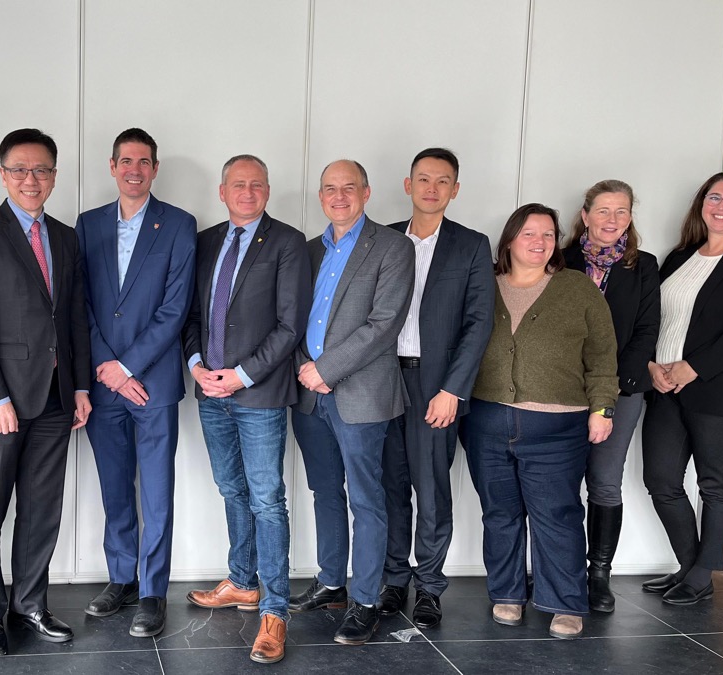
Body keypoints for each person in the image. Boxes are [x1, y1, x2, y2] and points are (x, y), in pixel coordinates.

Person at [0, 128, 92, 657]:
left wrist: (81, 385)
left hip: (56, 397)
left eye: (41, 170)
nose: (31, 179)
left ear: (54, 176)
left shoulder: (65, 237)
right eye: (20, 170)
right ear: (3, 174)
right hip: (1, 400)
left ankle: (30, 603)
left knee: (41, 509)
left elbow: (73, 315)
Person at [462, 203, 617, 639]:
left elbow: (603, 354)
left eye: (548, 234)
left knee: (557, 515)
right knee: (500, 513)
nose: (540, 242)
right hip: (486, 421)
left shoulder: (576, 288)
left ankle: (564, 602)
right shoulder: (484, 285)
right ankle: (507, 593)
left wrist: (602, 408)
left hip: (557, 428)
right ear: (510, 239)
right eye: (529, 233)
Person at [182, 154, 309, 665]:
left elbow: (290, 325)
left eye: (257, 184)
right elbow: (193, 315)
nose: (248, 192)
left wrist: (242, 375)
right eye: (239, 184)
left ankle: (275, 612)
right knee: (231, 488)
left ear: (268, 190)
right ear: (223, 191)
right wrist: (196, 365)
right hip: (211, 393)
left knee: (266, 499)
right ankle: (242, 581)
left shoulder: (287, 242)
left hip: (258, 394)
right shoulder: (206, 241)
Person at [289, 160, 416, 645]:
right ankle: (331, 583)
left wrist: (326, 369)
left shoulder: (393, 246)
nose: (338, 196)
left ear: (366, 192)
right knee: (325, 491)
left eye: (348, 187)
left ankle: (365, 600)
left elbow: (384, 323)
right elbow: (290, 318)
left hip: (362, 394)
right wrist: (306, 367)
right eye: (329, 188)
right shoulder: (308, 250)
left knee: (367, 499)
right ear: (320, 195)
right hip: (308, 393)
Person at [76, 128, 196, 638]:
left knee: (157, 492)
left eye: (143, 161)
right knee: (114, 486)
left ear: (155, 168)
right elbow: (79, 302)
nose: (134, 170)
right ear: (112, 166)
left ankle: (151, 591)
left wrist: (127, 368)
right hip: (103, 382)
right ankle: (121, 577)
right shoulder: (87, 224)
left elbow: (175, 309)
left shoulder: (180, 224)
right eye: (126, 161)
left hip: (154, 383)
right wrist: (108, 366)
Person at [373, 149, 493, 629]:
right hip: (381, 379)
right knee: (389, 485)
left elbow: (479, 323)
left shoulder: (471, 245)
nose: (432, 188)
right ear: (408, 185)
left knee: (432, 488)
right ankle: (393, 579)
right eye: (423, 179)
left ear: (455, 190)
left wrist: (453, 389)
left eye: (443, 181)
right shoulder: (381, 239)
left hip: (436, 384)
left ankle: (429, 586)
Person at [642, 171, 723, 606]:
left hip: (719, 390)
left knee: (715, 486)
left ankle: (704, 574)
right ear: (702, 204)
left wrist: (694, 367)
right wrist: (651, 365)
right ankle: (690, 567)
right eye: (714, 197)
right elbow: (653, 318)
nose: (722, 206)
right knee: (661, 479)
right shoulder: (679, 256)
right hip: (664, 387)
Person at [562, 180, 660, 613]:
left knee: (604, 481)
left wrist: (610, 387)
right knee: (558, 483)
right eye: (603, 210)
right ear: (585, 215)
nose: (612, 219)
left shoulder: (644, 266)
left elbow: (647, 331)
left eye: (621, 211)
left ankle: (598, 575)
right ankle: (559, 570)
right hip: (562, 392)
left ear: (630, 218)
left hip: (621, 391)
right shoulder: (560, 260)